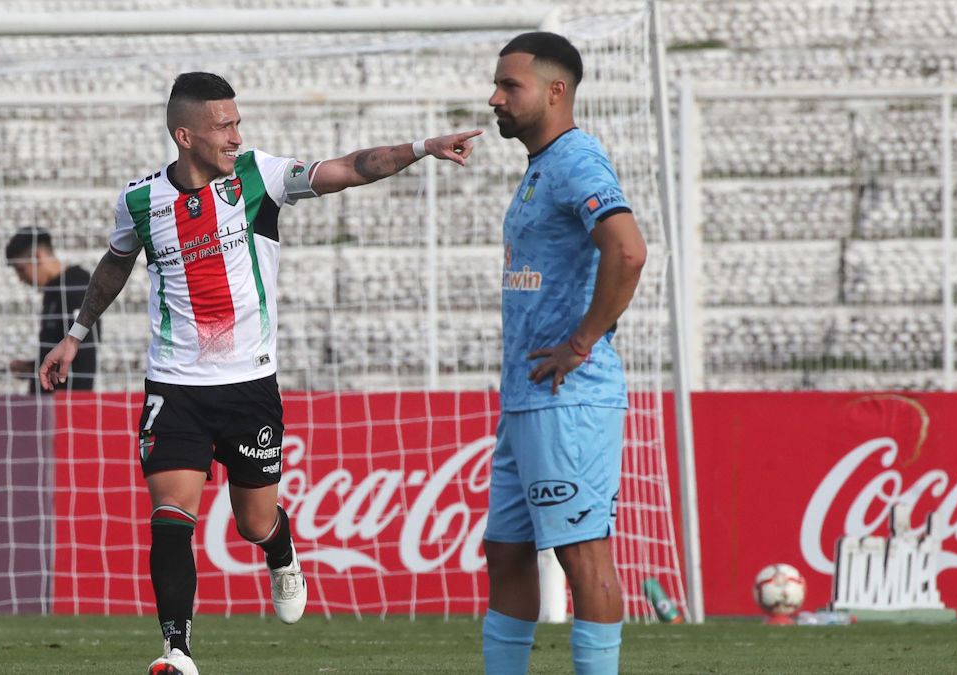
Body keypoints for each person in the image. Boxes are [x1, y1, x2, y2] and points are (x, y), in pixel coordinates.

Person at [37, 71, 481, 675]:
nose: (236, 135)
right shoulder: (140, 199)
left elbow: (352, 167)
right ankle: (177, 651)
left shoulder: (259, 176)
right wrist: (75, 334)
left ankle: (281, 549)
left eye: (238, 122)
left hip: (250, 386)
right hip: (175, 383)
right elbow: (117, 264)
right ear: (185, 134)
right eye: (225, 126)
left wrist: (424, 147)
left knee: (252, 522)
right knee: (171, 515)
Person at [481, 33, 647, 675]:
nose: (495, 98)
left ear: (556, 91)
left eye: (509, 86)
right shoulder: (543, 165)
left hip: (568, 398)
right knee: (506, 550)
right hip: (527, 397)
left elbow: (627, 250)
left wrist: (582, 342)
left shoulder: (578, 160)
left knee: (583, 555)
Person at [5, 227, 99, 394]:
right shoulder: (52, 290)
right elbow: (60, 352)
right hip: (48, 403)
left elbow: (83, 353)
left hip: (65, 404)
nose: (21, 278)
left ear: (37, 257)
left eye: (21, 269)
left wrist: (77, 403)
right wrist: (32, 367)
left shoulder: (75, 285)